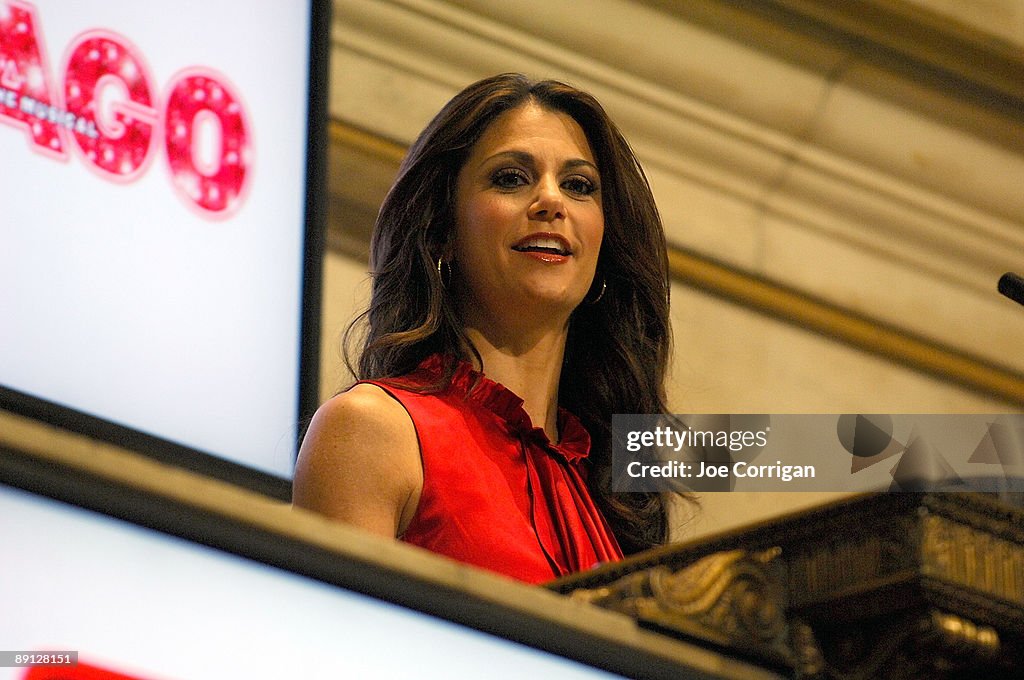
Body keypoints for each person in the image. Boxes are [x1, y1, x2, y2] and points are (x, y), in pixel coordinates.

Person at [294, 73, 673, 584]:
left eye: (579, 186)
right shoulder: (373, 430)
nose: (550, 201)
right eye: (511, 178)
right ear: (443, 233)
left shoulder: (617, 498)